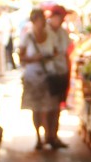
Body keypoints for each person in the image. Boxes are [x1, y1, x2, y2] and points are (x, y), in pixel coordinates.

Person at [19, 8, 62, 150]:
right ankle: (38, 137)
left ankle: (49, 135)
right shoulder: (27, 37)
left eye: (43, 19)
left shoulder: (51, 35)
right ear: (33, 21)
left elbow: (56, 52)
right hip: (33, 76)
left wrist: (49, 57)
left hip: (48, 75)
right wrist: (33, 59)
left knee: (50, 108)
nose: (42, 22)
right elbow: (21, 58)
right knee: (36, 108)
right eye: (39, 20)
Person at [45, 5, 71, 147]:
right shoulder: (45, 32)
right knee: (47, 107)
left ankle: (53, 135)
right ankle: (48, 135)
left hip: (61, 72)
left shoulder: (62, 33)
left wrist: (67, 72)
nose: (60, 21)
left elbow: (65, 53)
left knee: (56, 107)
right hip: (48, 73)